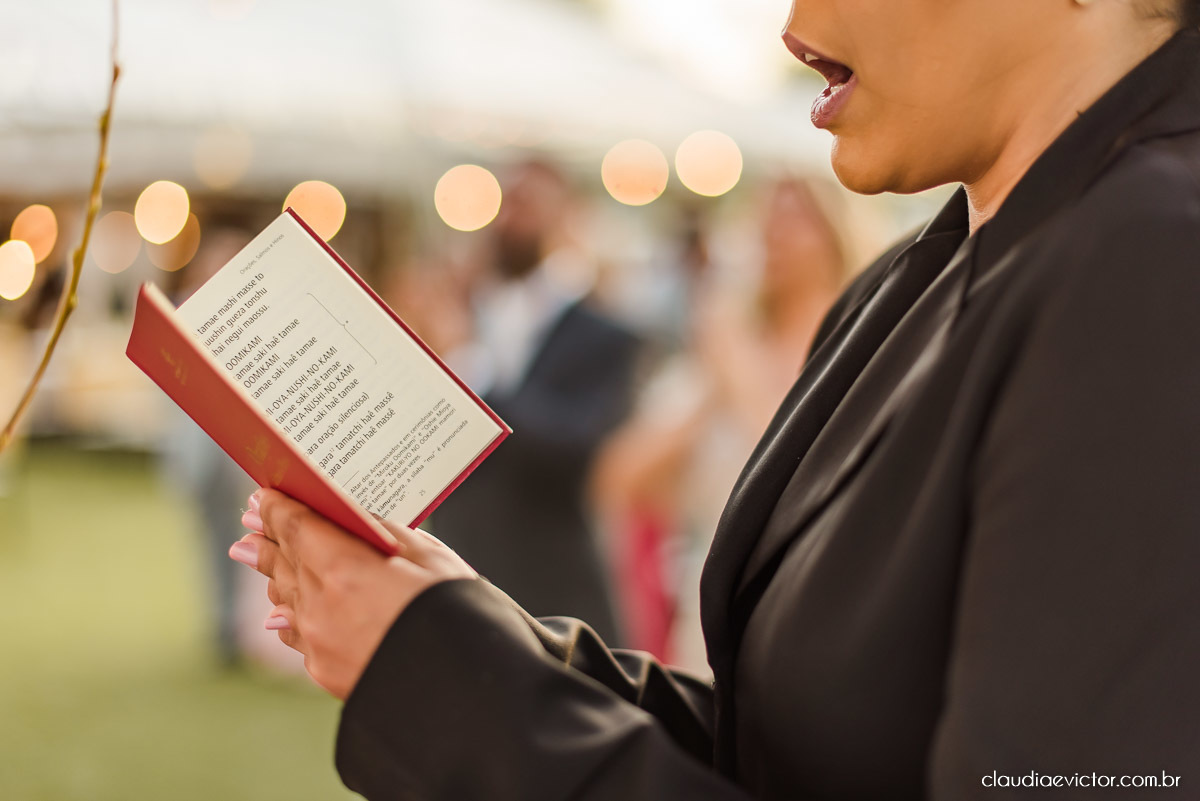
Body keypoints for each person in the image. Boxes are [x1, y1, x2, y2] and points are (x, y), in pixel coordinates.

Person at [227, 1, 1200, 798]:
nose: (794, 24)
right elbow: (779, 752)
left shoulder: (1156, 269)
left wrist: (440, 684)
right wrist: (457, 630)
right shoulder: (924, 270)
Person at [592, 177, 847, 670]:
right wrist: (714, 385)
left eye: (797, 218)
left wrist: (737, 370)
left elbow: (803, 476)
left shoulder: (853, 346)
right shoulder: (724, 348)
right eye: (767, 219)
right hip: (714, 604)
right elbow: (619, 481)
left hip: (820, 595)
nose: (776, 234)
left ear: (835, 235)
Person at [394, 159, 640, 644]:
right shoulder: (457, 307)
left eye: (526, 204)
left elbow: (573, 449)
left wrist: (470, 364)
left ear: (567, 216)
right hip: (456, 565)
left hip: (551, 590)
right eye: (503, 203)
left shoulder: (606, 335)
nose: (508, 218)